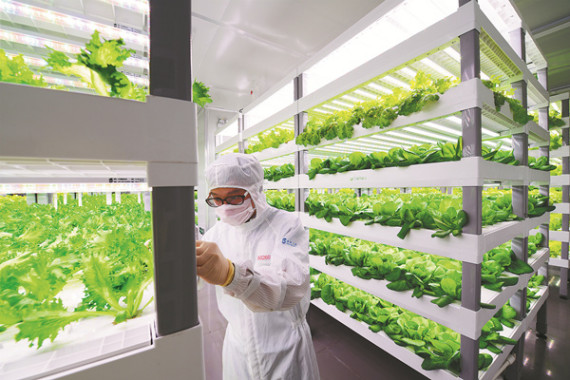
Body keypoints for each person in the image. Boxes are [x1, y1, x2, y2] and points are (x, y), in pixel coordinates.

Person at [196, 153, 320, 380]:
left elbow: (291, 287)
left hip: (285, 346)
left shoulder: (286, 225)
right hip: (238, 347)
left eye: (234, 198)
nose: (225, 208)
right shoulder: (216, 234)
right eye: (217, 199)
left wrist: (231, 275)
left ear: (255, 191)